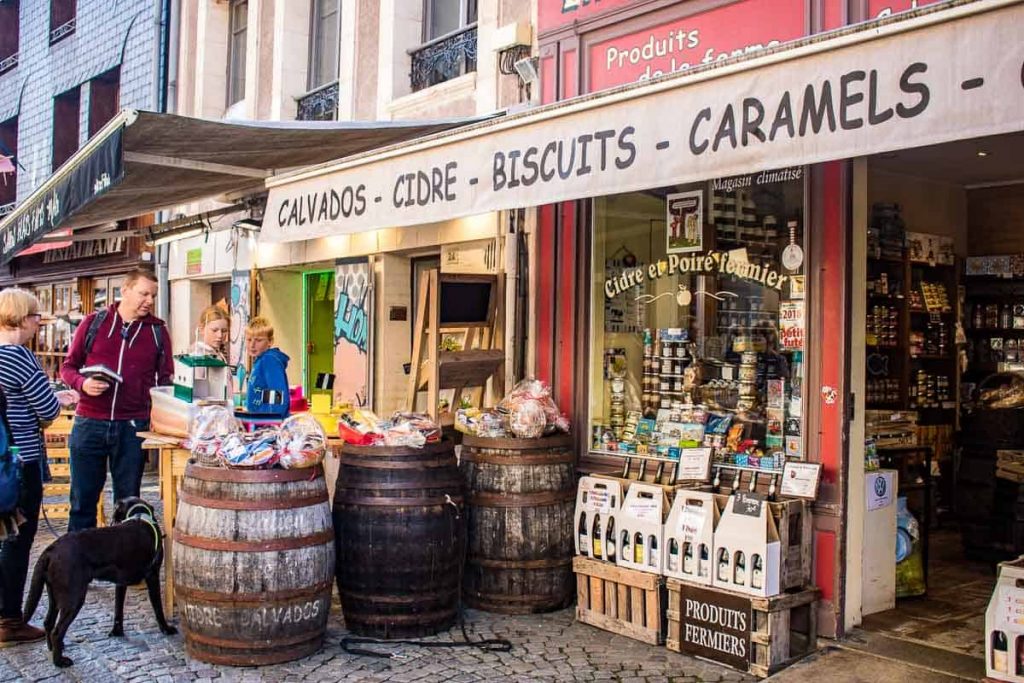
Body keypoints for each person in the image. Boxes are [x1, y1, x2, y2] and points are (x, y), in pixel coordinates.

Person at [61, 268, 173, 531]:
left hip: (132, 426)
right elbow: (68, 368)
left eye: (153, 295)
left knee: (128, 503)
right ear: (125, 290)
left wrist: (157, 417)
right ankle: (77, 566)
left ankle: (123, 566)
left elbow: (165, 381)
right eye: (143, 293)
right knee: (81, 503)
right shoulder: (93, 323)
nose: (149, 300)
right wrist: (83, 383)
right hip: (89, 422)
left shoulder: (157, 332)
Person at [0, 288, 74, 645]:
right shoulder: (19, 358)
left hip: (2, 459)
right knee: (17, 539)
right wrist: (56, 400)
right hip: (21, 460)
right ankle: (10, 618)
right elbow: (47, 412)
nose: (37, 323)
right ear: (21, 318)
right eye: (35, 317)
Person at [244, 317, 289, 418]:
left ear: (270, 341)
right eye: (249, 340)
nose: (252, 345)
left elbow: (277, 397)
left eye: (258, 340)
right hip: (260, 421)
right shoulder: (261, 360)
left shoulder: (269, 360)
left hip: (268, 425)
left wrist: (270, 423)